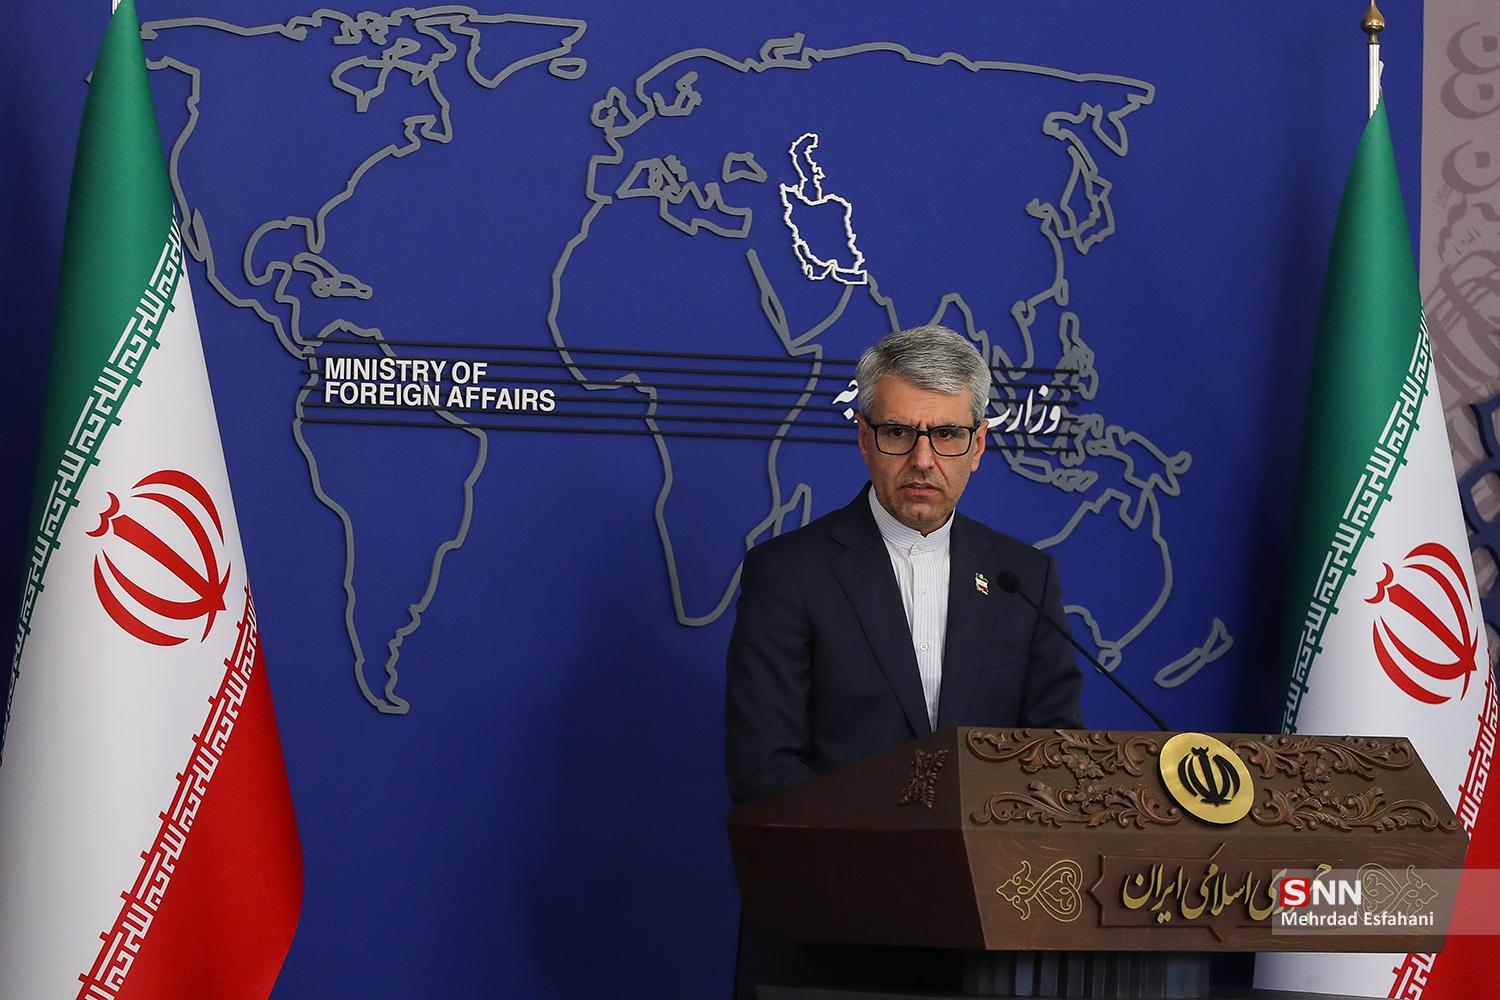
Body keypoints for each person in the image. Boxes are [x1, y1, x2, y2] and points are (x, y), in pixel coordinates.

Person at [725, 324, 1084, 805]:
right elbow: (764, 767)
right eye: (898, 432)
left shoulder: (1024, 578)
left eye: (947, 434)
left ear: (977, 446)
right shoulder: (788, 574)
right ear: (864, 438)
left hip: (993, 851)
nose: (923, 460)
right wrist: (897, 830)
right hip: (845, 850)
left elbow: (1058, 753)